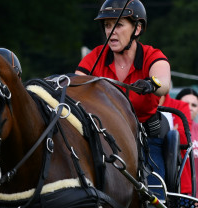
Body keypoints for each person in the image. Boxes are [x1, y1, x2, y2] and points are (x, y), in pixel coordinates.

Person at [75, 1, 190, 195]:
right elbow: (75, 86)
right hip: (103, 140)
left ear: (137, 28)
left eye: (118, 25)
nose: (111, 32)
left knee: (155, 193)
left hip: (145, 140)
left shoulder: (152, 56)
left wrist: (151, 84)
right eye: (107, 25)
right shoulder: (95, 57)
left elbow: (164, 83)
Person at [176, 88, 198, 199]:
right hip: (177, 195)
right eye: (185, 103)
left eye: (194, 105)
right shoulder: (171, 128)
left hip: (196, 197)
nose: (190, 108)